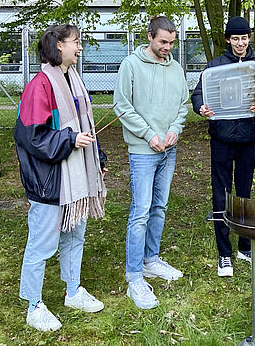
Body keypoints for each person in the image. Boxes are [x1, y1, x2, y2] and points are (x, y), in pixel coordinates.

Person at [14, 24, 107, 331]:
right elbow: (31, 137)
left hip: (77, 179)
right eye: (75, 43)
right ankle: (33, 305)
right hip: (50, 182)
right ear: (58, 47)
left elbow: (85, 125)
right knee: (41, 245)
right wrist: (69, 140)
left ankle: (72, 291)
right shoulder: (39, 86)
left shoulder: (74, 81)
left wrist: (98, 159)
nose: (79, 48)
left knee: (75, 237)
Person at [191, 16, 255, 277]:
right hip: (221, 137)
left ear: (249, 38)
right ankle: (224, 254)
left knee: (244, 192)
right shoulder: (215, 65)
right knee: (221, 193)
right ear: (228, 39)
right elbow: (198, 94)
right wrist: (201, 107)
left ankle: (245, 246)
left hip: (248, 137)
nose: (240, 43)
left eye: (244, 38)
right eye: (235, 38)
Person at [113, 16, 188, 309]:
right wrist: (148, 134)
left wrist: (174, 130)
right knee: (140, 211)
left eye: (171, 42)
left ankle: (151, 260)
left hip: (169, 149)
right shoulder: (130, 66)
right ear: (150, 37)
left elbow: (183, 106)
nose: (167, 47)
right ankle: (134, 276)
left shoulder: (177, 68)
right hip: (143, 151)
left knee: (160, 207)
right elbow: (122, 106)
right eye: (163, 42)